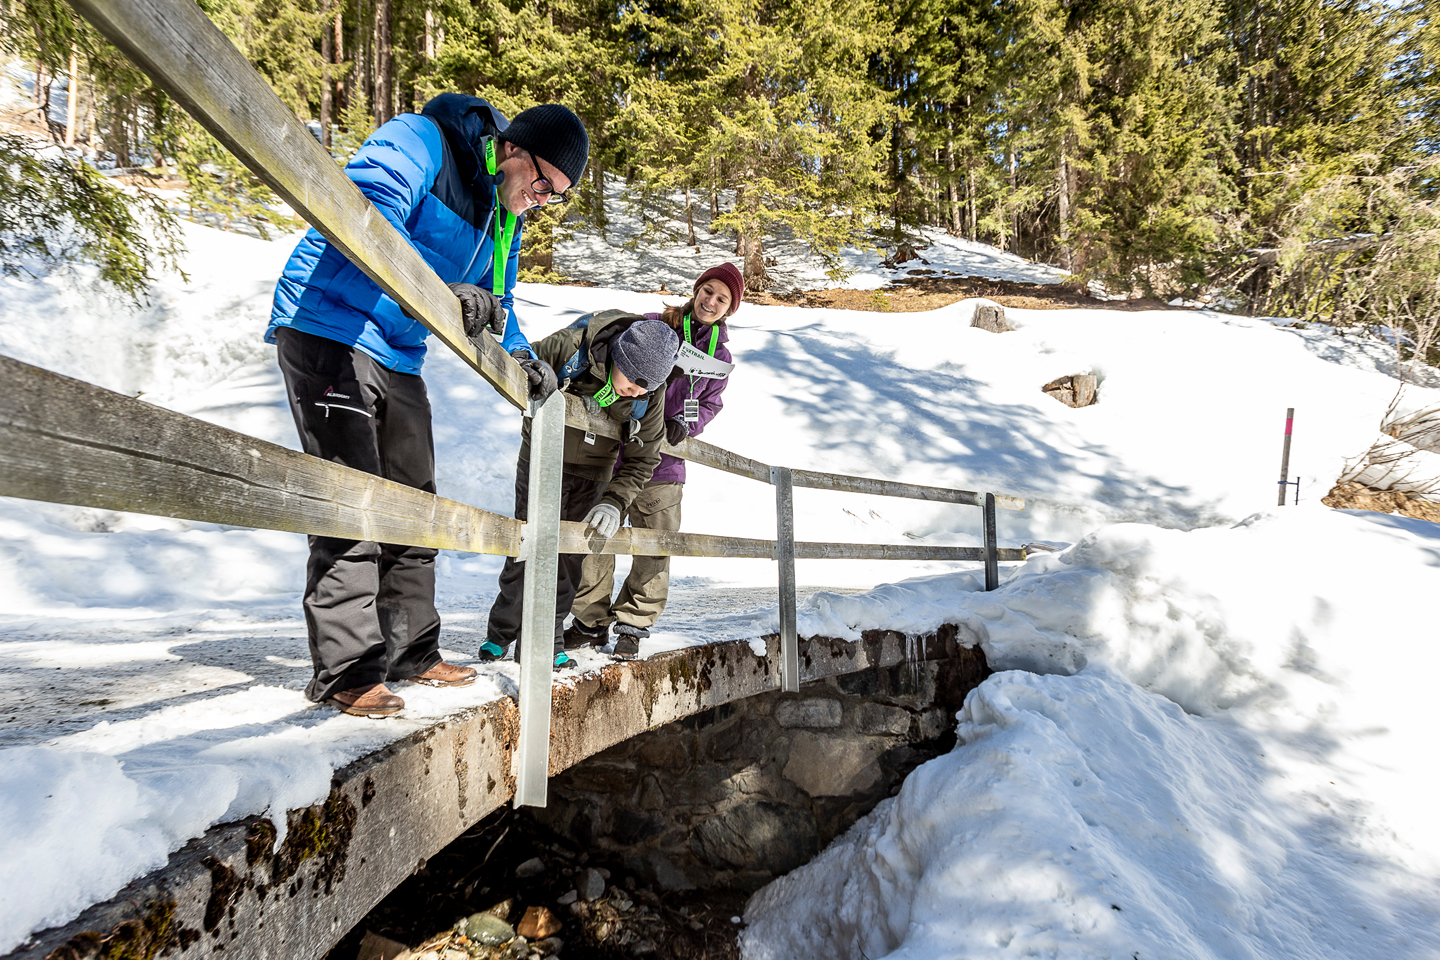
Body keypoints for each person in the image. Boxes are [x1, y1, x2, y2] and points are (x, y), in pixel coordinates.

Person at [266, 94, 588, 717]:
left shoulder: (504, 217)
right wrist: (446, 293)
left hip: (399, 352)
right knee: (354, 501)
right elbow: (367, 219)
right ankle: (346, 672)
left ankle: (410, 649)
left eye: (557, 197)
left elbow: (500, 303)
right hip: (329, 324)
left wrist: (523, 360)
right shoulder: (421, 141)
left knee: (417, 501)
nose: (541, 201)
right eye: (543, 184)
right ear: (514, 150)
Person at [482, 313, 681, 669]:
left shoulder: (651, 393)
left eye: (645, 390)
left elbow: (644, 457)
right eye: (634, 383)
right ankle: (501, 631)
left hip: (595, 472)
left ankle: (548, 637)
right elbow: (522, 363)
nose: (637, 393)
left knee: (571, 558)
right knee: (527, 544)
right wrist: (541, 377)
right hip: (544, 456)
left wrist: (614, 502)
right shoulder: (575, 347)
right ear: (621, 357)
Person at [566, 262, 743, 659]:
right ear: (696, 288)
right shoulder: (653, 323)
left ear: (730, 309)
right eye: (708, 290)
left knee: (654, 545)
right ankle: (588, 622)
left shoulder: (722, 357)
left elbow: (711, 403)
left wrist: (685, 423)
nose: (710, 301)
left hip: (664, 465)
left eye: (722, 299)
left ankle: (634, 623)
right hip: (612, 456)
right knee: (596, 537)